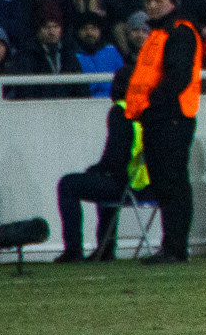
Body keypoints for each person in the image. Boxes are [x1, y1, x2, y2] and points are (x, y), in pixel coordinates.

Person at [117, 0, 202, 264]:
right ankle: (172, 247)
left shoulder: (179, 32)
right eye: (149, 0)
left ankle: (176, 248)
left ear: (171, 2)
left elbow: (178, 78)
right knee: (166, 185)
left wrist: (153, 107)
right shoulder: (160, 33)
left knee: (173, 184)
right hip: (158, 118)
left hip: (172, 118)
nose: (152, 5)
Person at [55, 99, 148, 262]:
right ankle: (106, 249)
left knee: (67, 185)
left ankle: (73, 250)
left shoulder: (122, 110)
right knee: (105, 182)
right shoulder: (150, 108)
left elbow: (115, 157)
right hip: (148, 186)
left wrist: (97, 170)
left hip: (128, 185)